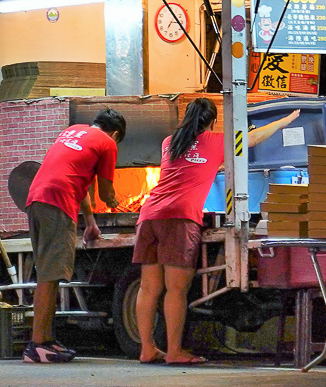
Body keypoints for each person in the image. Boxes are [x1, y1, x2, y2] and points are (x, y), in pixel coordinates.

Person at [134, 98, 299, 365]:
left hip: (150, 214)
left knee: (149, 288)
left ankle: (147, 348)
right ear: (211, 122)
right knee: (176, 290)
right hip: (180, 217)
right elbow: (254, 138)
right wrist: (284, 121)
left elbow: (189, 166)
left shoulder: (170, 142)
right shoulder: (215, 141)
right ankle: (174, 352)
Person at [23, 109, 126, 364]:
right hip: (57, 203)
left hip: (37, 199)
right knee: (50, 275)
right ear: (115, 134)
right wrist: (122, 204)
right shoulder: (107, 143)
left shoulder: (73, 132)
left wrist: (90, 221)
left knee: (49, 274)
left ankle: (45, 341)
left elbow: (80, 184)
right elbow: (106, 193)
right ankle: (37, 346)